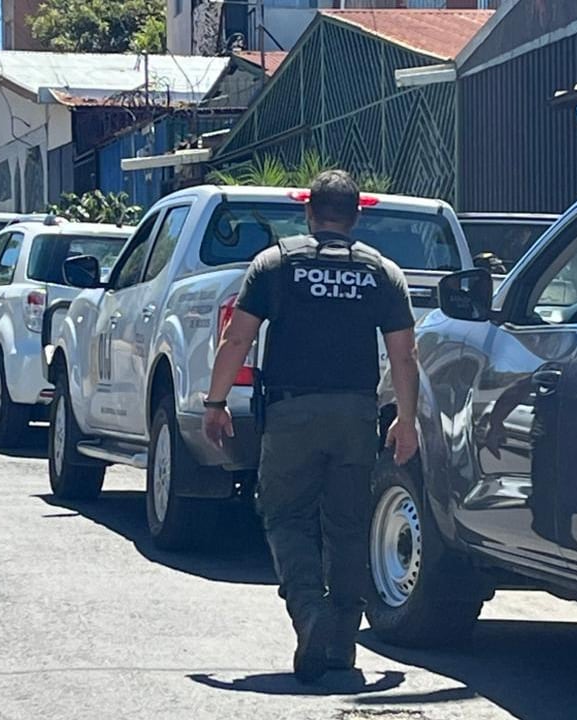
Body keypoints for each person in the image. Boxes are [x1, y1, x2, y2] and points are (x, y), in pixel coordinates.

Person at [203, 170, 420, 683]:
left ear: (308, 212)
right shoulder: (381, 272)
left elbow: (236, 340)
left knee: (285, 517)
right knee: (346, 527)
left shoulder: (276, 265)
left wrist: (215, 402)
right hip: (356, 416)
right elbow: (404, 355)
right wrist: (406, 421)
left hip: (291, 413)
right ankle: (342, 643)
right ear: (356, 216)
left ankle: (310, 613)